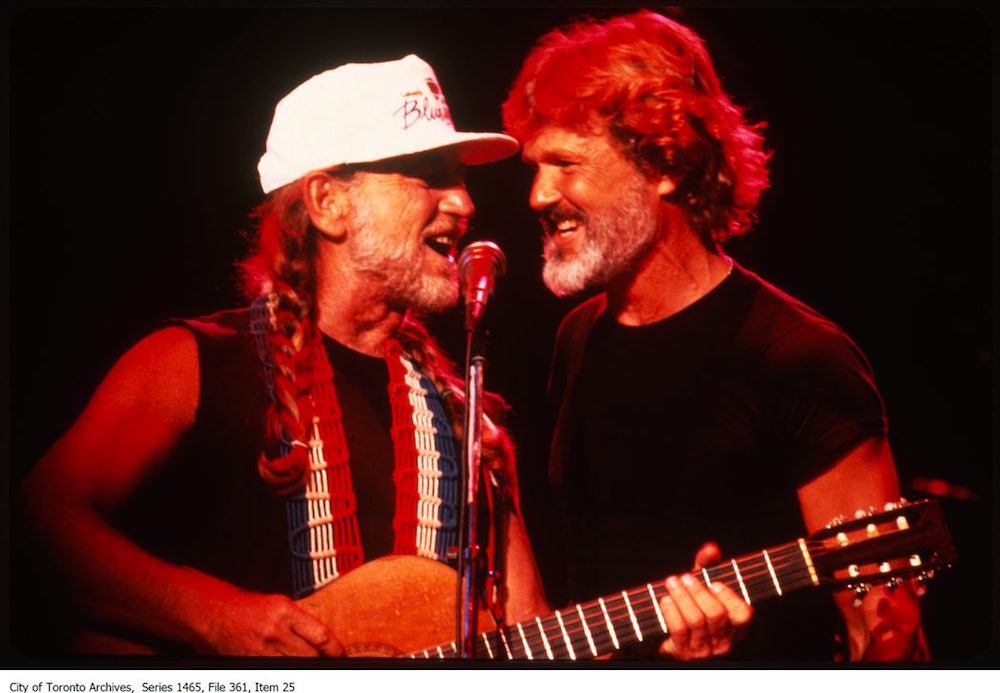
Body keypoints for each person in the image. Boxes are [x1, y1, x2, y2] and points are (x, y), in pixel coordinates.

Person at [18, 54, 547, 657]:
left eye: (458, 176)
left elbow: (529, 634)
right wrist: (215, 618)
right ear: (327, 202)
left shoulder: (471, 420)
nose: (464, 202)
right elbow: (38, 521)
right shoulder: (191, 365)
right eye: (426, 173)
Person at [502, 10, 928, 661]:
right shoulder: (578, 339)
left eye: (565, 162)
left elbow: (889, 635)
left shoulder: (799, 359)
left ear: (664, 165)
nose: (537, 194)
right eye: (536, 165)